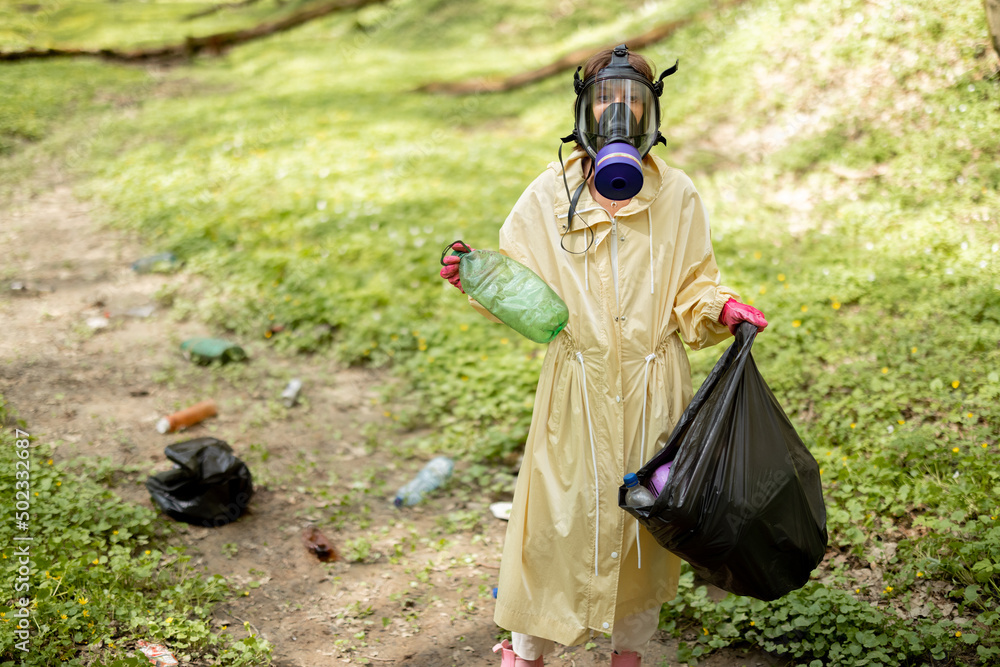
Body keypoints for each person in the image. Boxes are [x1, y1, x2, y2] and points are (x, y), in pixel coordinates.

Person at [439, 44, 767, 667]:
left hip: (652, 391)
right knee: (554, 527)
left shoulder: (678, 196)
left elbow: (694, 285)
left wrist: (722, 309)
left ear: (652, 113)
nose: (619, 117)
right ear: (584, 112)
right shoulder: (547, 196)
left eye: (633, 103)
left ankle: (628, 654)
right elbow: (524, 293)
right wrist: (479, 279)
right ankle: (527, 652)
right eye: (605, 103)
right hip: (576, 393)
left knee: (641, 532)